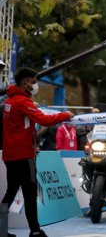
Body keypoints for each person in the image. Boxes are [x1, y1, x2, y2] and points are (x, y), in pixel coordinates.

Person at [1, 67, 74, 237]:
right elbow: (44, 120)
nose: (35, 86)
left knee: (10, 192)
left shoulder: (10, 100)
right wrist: (66, 114)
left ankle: (1, 230)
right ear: (25, 83)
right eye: (34, 82)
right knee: (30, 194)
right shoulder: (22, 102)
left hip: (10, 155)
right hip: (24, 155)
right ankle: (35, 231)